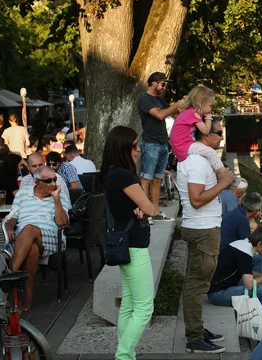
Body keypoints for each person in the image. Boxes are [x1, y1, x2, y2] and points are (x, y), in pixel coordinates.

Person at [176, 117, 235, 354]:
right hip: (202, 230)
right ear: (205, 134)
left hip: (202, 228)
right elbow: (196, 199)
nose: (221, 136)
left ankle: (198, 330)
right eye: (218, 132)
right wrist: (224, 182)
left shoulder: (196, 160)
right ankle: (195, 338)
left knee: (197, 281)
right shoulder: (198, 163)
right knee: (196, 284)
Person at [100, 126, 157, 360]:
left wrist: (139, 210)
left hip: (127, 244)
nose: (139, 149)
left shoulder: (111, 174)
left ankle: (127, 353)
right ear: (124, 148)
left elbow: (131, 208)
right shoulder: (123, 175)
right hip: (134, 247)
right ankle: (124, 356)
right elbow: (152, 209)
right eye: (135, 145)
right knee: (144, 308)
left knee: (129, 305)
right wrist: (150, 186)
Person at [5, 166, 69, 310]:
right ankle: (28, 299)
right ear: (37, 182)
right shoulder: (23, 194)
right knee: (32, 249)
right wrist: (9, 227)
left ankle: (11, 275)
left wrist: (56, 199)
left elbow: (61, 223)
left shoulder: (59, 194)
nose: (53, 183)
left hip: (51, 236)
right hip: (25, 239)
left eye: (54, 179)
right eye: (48, 181)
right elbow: (12, 217)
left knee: (29, 228)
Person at [208, 227, 262, 332]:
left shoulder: (242, 245)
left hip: (222, 287)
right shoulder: (245, 253)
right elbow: (250, 285)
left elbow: (248, 273)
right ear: (259, 244)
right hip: (218, 294)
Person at [137, 72, 186, 220]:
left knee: (157, 179)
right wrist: (177, 105)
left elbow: (173, 112)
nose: (165, 87)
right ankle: (146, 213)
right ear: (153, 83)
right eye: (163, 84)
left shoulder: (158, 100)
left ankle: (155, 212)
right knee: (146, 180)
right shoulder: (144, 100)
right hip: (150, 144)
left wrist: (184, 105)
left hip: (163, 144)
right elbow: (159, 115)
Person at [171, 86, 235, 184]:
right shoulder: (193, 114)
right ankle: (223, 174)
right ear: (201, 102)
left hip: (180, 145)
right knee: (211, 152)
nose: (210, 109)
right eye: (210, 105)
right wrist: (208, 118)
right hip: (184, 145)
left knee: (205, 152)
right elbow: (205, 131)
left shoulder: (187, 112)